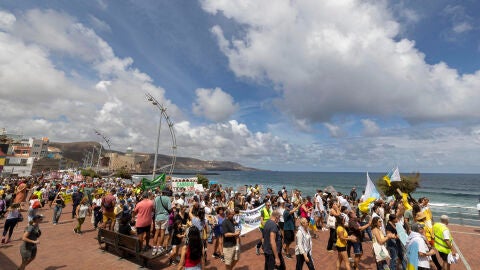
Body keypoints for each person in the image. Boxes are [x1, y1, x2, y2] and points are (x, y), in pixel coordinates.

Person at [153, 189, 172, 256]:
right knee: (162, 233)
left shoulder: (156, 198)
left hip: (157, 217)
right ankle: (160, 247)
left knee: (156, 232)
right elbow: (170, 208)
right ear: (166, 193)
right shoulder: (167, 198)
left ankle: (154, 248)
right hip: (164, 217)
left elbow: (154, 208)